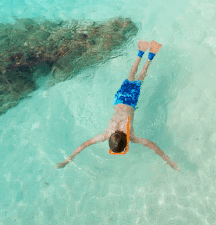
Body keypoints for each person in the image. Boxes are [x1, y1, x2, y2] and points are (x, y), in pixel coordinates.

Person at [55, 40, 179, 171]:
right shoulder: (107, 134)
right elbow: (86, 144)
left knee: (140, 79)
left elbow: (151, 145)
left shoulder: (130, 136)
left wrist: (169, 161)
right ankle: (140, 53)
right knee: (131, 75)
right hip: (119, 99)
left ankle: (149, 58)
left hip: (131, 101)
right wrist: (68, 159)